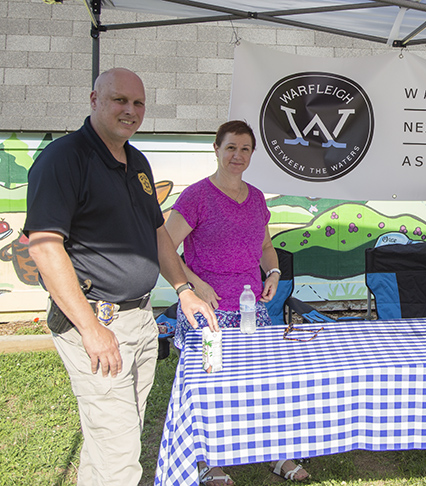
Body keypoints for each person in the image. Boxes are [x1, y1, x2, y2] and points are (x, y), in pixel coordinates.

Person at [23, 68, 217, 486]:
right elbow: (43, 246)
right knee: (120, 455)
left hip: (140, 320)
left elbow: (158, 232)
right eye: (119, 100)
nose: (130, 110)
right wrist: (91, 328)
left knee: (110, 443)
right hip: (97, 323)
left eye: (138, 103)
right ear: (94, 100)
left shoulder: (138, 161)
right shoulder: (63, 159)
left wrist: (183, 289)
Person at [165, 120, 309, 484]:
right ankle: (211, 462)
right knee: (211, 384)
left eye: (244, 149)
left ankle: (278, 453)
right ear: (216, 149)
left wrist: (273, 273)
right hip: (207, 312)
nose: (237, 155)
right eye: (231, 147)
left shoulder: (257, 198)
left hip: (251, 310)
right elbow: (164, 245)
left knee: (265, 381)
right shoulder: (196, 196)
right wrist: (194, 285)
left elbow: (264, 246)